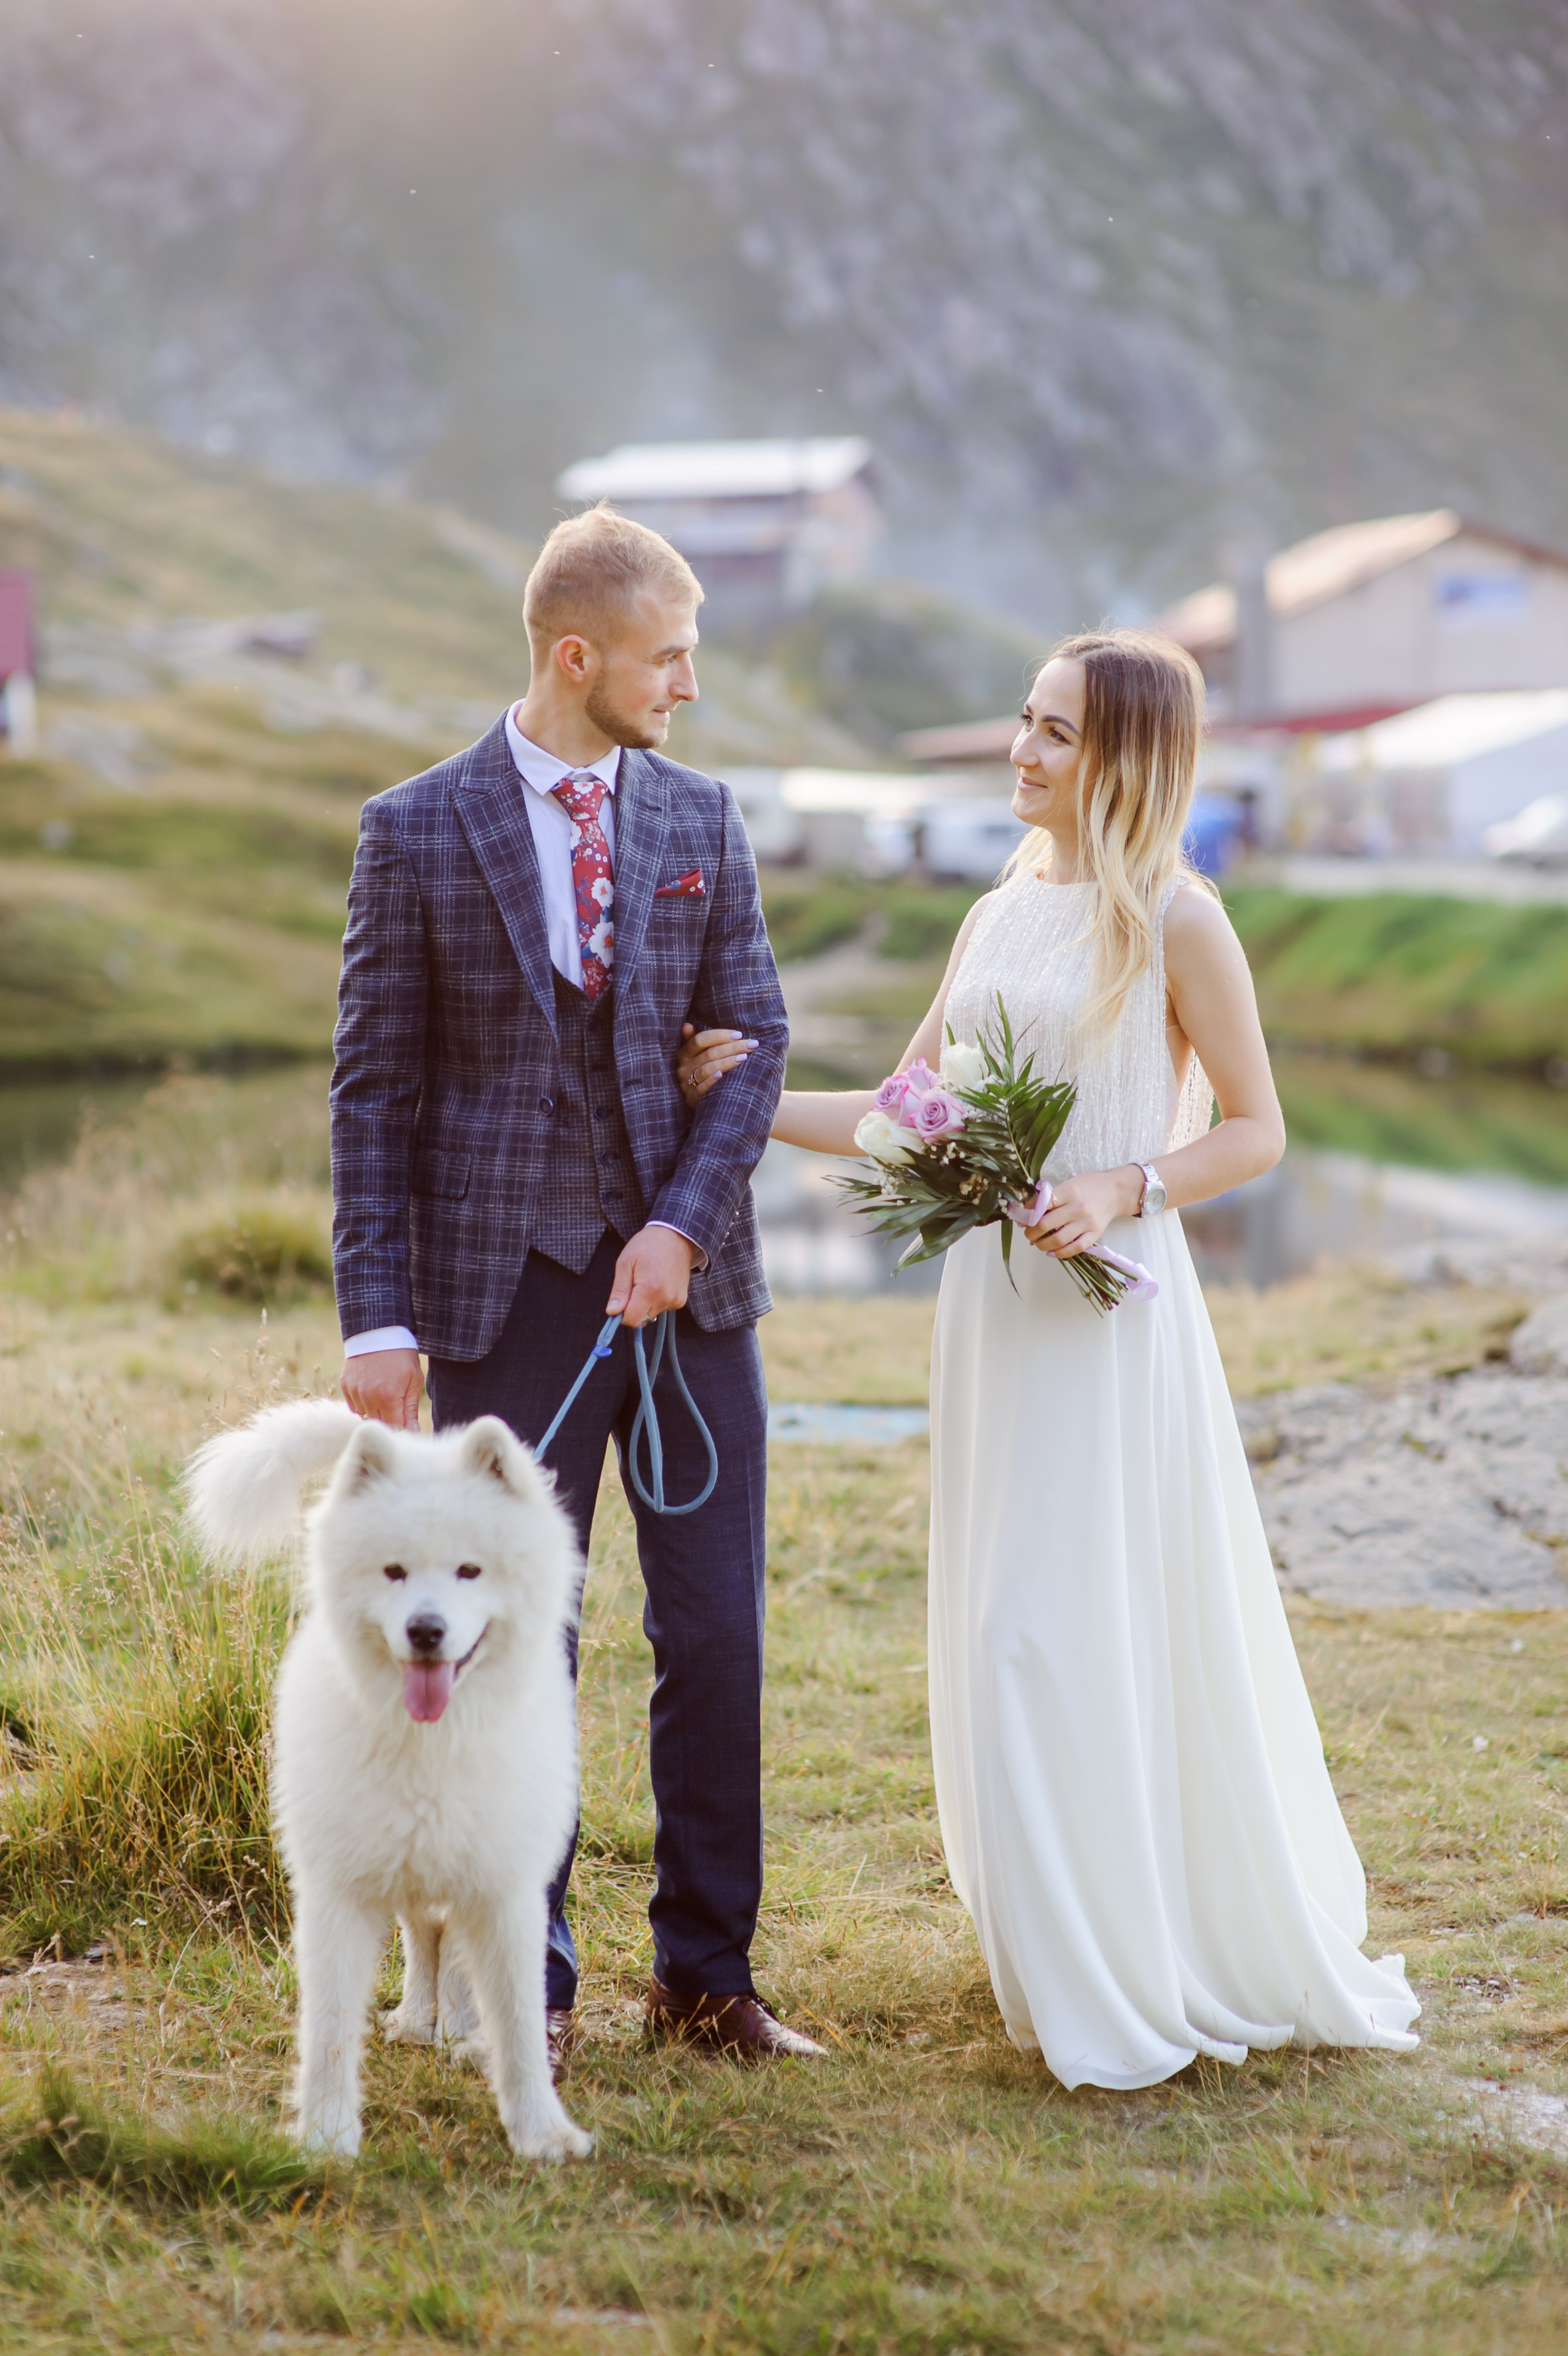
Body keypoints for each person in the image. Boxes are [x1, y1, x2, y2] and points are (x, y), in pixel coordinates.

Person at [678, 629, 1419, 2090]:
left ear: (1126, 758)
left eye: (1055, 732)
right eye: (1025, 719)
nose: (1022, 748)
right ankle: (1046, 1935)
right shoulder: (1000, 906)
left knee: (1058, 1627)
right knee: (1000, 1617)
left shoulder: (1181, 921)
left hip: (1111, 1310)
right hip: (993, 1308)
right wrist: (750, 1093)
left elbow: (1257, 1130)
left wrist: (1124, 1185)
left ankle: (1122, 1950)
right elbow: (916, 1107)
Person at [331, 502, 823, 2067]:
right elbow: (372, 1092)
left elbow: (758, 1045)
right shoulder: (414, 828)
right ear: (576, 655)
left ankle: (705, 1972)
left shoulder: (701, 817)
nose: (687, 683)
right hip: (501, 1292)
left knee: (718, 1633)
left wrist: (679, 1222)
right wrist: (380, 1315)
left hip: (693, 1294)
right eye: (669, 657)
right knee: (505, 1644)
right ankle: (519, 1973)